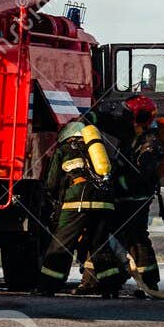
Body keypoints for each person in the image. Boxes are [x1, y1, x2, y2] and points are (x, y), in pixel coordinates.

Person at [36, 111, 126, 297]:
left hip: (77, 203)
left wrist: (51, 200)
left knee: (61, 244)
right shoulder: (98, 152)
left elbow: (52, 183)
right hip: (104, 203)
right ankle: (111, 287)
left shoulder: (64, 150)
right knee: (100, 245)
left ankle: (48, 286)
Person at [113, 93, 164, 296]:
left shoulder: (150, 143)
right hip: (128, 196)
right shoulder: (134, 136)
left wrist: (120, 183)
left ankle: (149, 283)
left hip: (136, 198)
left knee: (137, 237)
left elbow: (141, 174)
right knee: (127, 237)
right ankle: (122, 278)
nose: (124, 118)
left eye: (128, 115)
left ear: (138, 117)